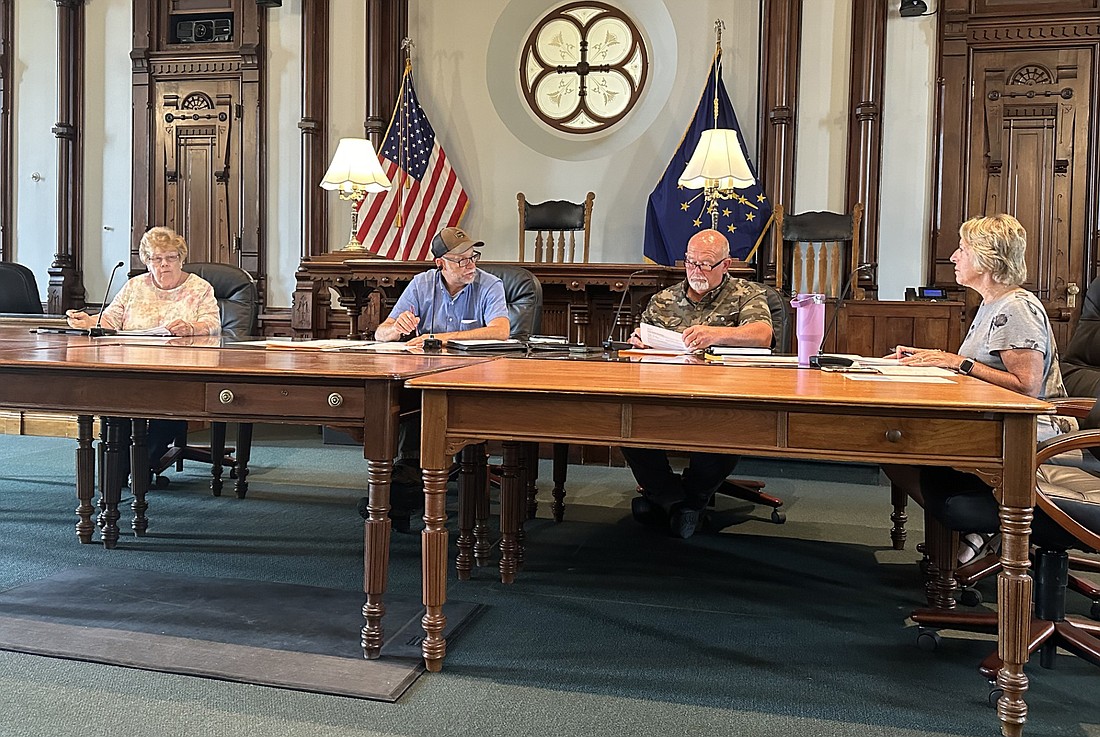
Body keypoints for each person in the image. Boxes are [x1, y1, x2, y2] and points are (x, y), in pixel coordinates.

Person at [884, 214, 1072, 564]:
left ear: (986, 258)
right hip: (992, 425)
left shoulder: (1016, 308)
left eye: (962, 249)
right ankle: (971, 531)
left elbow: (1026, 387)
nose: (954, 257)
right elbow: (983, 369)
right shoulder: (991, 303)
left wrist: (957, 363)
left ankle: (982, 527)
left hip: (1026, 434)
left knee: (899, 444)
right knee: (893, 448)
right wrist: (937, 357)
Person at [622, 228, 774, 539]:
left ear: (726, 265)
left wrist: (716, 334)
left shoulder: (747, 294)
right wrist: (640, 341)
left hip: (722, 395)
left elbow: (762, 334)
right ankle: (676, 501)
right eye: (691, 263)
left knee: (729, 428)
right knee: (625, 420)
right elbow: (647, 342)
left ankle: (685, 498)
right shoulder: (664, 300)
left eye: (705, 264)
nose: (696, 271)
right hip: (667, 390)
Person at [361, 226, 510, 531]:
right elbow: (381, 333)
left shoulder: (489, 285)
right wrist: (397, 328)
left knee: (428, 406)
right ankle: (405, 478)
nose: (471, 265)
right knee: (401, 404)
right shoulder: (421, 284)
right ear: (440, 263)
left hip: (474, 381)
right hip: (426, 378)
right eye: (462, 260)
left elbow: (499, 331)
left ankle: (408, 481)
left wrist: (438, 339)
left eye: (473, 257)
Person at [66, 226, 222, 476]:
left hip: (178, 371)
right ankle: (119, 474)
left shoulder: (199, 288)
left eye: (171, 257)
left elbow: (213, 325)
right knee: (115, 412)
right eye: (156, 259)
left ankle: (136, 472)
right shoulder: (134, 286)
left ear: (181, 258)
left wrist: (191, 327)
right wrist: (88, 321)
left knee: (166, 413)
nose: (164, 264)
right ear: (147, 261)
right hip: (132, 367)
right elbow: (111, 319)